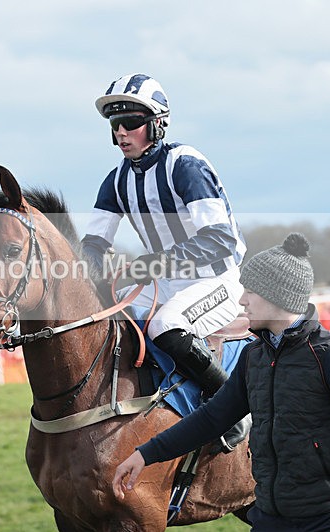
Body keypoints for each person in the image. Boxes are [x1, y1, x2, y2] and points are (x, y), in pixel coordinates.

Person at [112, 233, 330, 532]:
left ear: (277, 295)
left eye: (250, 291)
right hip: (270, 520)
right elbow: (211, 419)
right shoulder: (253, 356)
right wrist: (146, 454)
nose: (241, 300)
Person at [82, 73, 248, 449]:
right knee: (106, 313)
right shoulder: (117, 180)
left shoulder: (185, 165)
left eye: (131, 122)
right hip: (166, 281)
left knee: (164, 324)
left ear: (157, 124)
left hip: (215, 279)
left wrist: (154, 264)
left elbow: (219, 239)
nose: (121, 132)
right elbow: (94, 244)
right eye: (115, 124)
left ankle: (232, 409)